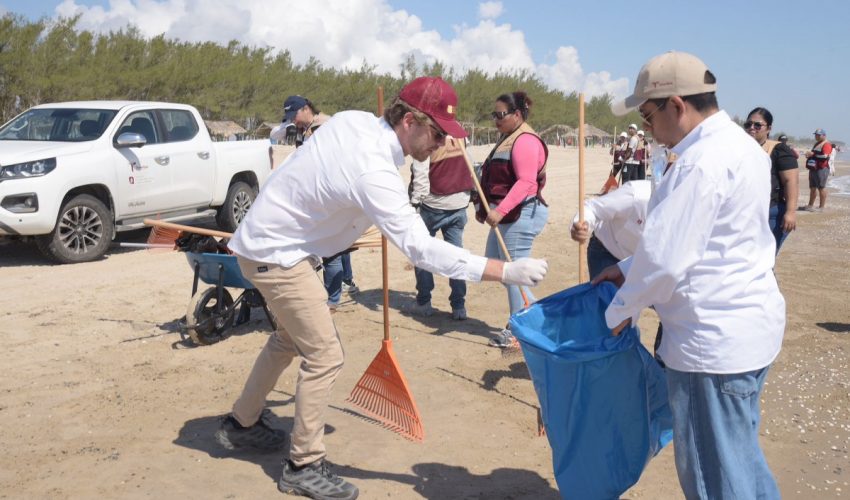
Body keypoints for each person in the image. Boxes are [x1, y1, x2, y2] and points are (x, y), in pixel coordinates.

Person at [214, 77, 548, 499]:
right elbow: (422, 250)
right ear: (409, 121)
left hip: (270, 243)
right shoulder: (374, 171)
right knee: (325, 355)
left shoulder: (356, 123)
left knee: (286, 338)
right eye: (438, 133)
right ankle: (303, 464)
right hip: (278, 255)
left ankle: (240, 424)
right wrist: (507, 271)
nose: (443, 142)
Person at [600, 51, 785, 499]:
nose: (646, 127)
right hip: (748, 327)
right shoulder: (743, 146)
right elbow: (710, 242)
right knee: (740, 459)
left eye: (647, 115)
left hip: (711, 342)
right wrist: (626, 270)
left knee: (713, 475)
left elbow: (666, 259)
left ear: (677, 106)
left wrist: (619, 312)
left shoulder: (699, 161)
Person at [476, 91, 549, 348]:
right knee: (500, 269)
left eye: (500, 115)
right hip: (508, 216)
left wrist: (500, 210)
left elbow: (526, 182)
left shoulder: (525, 140)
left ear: (517, 115)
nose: (495, 120)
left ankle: (520, 332)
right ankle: (535, 316)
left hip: (521, 215)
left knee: (513, 275)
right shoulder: (507, 138)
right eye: (493, 115)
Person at [272, 96, 359, 309]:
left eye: (295, 115)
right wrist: (289, 125)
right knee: (338, 244)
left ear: (306, 109)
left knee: (332, 252)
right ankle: (346, 281)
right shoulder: (301, 127)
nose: (294, 120)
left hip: (331, 194)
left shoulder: (326, 127)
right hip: (312, 194)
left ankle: (332, 300)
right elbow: (274, 134)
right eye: (290, 117)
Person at [408, 136, 473, 320]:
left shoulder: (427, 136)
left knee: (422, 252)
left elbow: (421, 173)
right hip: (459, 202)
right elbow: (471, 165)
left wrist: (415, 202)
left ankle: (424, 302)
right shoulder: (461, 134)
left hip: (433, 205)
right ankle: (459, 306)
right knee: (456, 254)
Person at [570, 180, 651, 279]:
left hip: (641, 262)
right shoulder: (637, 195)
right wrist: (582, 224)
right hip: (607, 253)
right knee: (607, 293)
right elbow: (593, 209)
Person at [744, 107, 799, 254]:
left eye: (757, 125)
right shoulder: (741, 148)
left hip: (771, 213)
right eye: (748, 124)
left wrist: (790, 212)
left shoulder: (779, 150)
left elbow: (791, 182)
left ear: (769, 128)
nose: (752, 128)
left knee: (764, 261)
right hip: (746, 213)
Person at [803, 128, 832, 211]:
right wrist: (809, 155)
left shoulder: (826, 144)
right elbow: (815, 154)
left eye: (819, 135)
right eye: (816, 135)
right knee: (812, 187)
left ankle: (821, 207)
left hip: (822, 168)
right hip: (814, 168)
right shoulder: (817, 144)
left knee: (821, 188)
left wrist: (813, 154)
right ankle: (810, 205)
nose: (817, 136)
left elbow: (825, 156)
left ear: (824, 135)